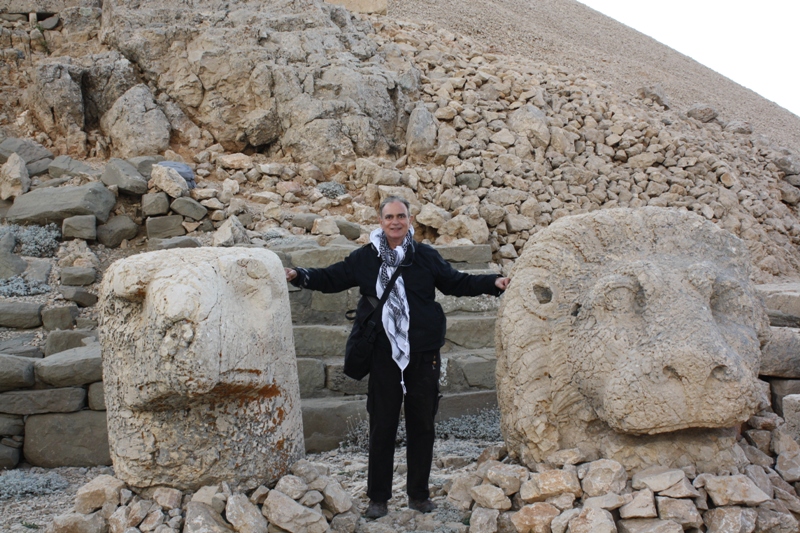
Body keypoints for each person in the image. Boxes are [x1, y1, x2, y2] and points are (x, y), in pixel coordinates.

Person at [285, 196, 511, 519]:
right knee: (382, 427)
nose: (395, 221)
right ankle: (378, 498)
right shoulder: (366, 258)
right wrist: (301, 275)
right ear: (380, 221)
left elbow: (456, 282)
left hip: (422, 356)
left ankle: (418, 495)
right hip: (384, 355)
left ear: (409, 220)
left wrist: (493, 283)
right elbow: (333, 277)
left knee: (422, 425)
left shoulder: (424, 257)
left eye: (401, 216)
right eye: (389, 216)